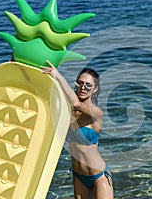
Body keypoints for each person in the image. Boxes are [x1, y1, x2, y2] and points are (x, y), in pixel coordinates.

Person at [42, 61, 114, 199]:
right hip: (78, 176)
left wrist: (57, 75)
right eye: (80, 83)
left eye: (88, 85)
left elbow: (75, 103)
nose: (83, 87)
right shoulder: (68, 112)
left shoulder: (96, 113)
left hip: (99, 177)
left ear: (96, 89)